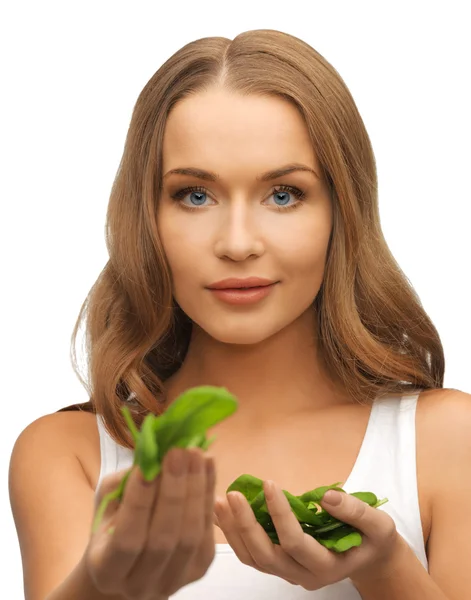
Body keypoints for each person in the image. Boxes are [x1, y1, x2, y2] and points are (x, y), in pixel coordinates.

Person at [8, 28, 471, 600]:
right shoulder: (69, 452)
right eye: (195, 196)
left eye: (283, 194)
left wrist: (383, 568)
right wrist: (105, 587)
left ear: (341, 212)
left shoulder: (449, 440)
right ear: (146, 218)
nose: (237, 242)